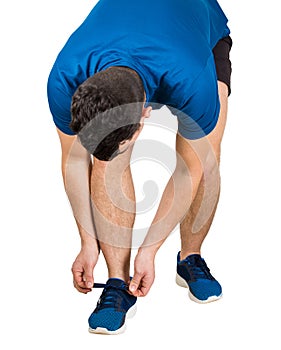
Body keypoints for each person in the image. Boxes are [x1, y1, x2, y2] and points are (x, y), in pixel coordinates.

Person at [47, 0, 232, 335]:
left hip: (197, 28)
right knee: (108, 158)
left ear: (145, 116)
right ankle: (117, 282)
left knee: (207, 157)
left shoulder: (191, 79)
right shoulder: (65, 79)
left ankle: (189, 258)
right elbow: (75, 159)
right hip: (129, 26)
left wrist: (150, 250)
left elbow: (188, 168)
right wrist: (87, 242)